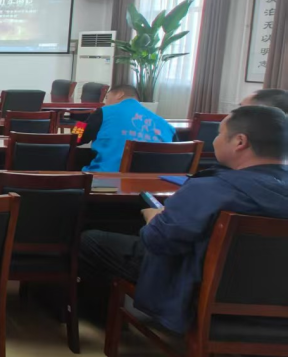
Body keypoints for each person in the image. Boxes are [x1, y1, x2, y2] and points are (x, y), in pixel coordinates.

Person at [79, 105, 288, 333]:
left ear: (240, 141)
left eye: (219, 133)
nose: (215, 140)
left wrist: (155, 218)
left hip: (196, 286)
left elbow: (158, 241)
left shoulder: (210, 189)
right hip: (269, 295)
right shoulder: (162, 123)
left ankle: (100, 316)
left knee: (92, 239)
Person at [80, 84, 175, 172]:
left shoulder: (104, 112)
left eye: (107, 97)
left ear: (119, 94)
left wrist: (78, 124)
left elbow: (79, 136)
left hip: (107, 178)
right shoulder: (165, 124)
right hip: (152, 182)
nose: (105, 103)